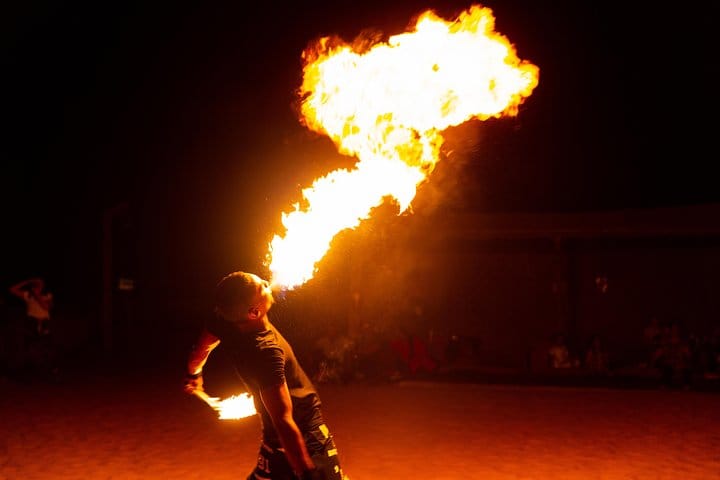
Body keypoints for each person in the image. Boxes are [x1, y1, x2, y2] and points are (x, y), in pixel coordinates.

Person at [183, 271, 348, 480]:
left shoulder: (223, 318)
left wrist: (193, 374)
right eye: (261, 286)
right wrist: (307, 473)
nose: (265, 281)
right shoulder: (267, 351)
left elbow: (201, 350)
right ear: (254, 312)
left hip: (274, 443)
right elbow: (284, 421)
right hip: (305, 441)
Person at [9, 277, 58, 379]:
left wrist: (37, 295)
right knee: (30, 346)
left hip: (44, 322)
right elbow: (12, 290)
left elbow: (46, 307)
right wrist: (26, 282)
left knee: (47, 345)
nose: (38, 285)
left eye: (40, 283)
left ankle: (51, 369)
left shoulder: (47, 296)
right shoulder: (28, 295)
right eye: (36, 283)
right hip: (32, 322)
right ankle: (30, 370)